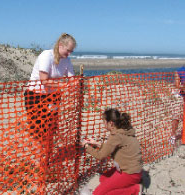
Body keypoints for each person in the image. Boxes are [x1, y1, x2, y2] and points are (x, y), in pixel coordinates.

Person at [24, 33, 77, 179]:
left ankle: (46, 158)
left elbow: (72, 78)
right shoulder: (46, 56)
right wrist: (63, 84)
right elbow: (44, 80)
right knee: (38, 130)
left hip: (53, 97)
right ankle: (39, 160)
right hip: (35, 96)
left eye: (71, 51)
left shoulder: (66, 60)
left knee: (51, 128)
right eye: (68, 50)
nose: (69, 53)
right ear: (60, 46)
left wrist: (75, 83)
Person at [81, 108, 143, 195]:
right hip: (135, 171)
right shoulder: (124, 130)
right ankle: (130, 184)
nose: (104, 125)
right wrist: (95, 143)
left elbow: (100, 155)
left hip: (130, 173)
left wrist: (86, 146)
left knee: (98, 193)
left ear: (110, 123)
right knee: (103, 178)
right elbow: (110, 148)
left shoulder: (116, 136)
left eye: (104, 122)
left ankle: (135, 189)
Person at [169, 66, 185, 145]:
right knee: (176, 116)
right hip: (181, 96)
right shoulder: (179, 71)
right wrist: (183, 87)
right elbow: (177, 85)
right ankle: (173, 136)